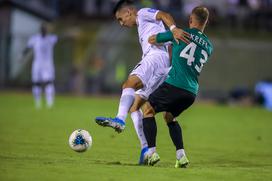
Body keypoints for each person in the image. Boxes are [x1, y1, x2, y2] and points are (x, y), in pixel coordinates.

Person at [94, 0, 186, 164]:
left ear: (129, 12)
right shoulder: (143, 27)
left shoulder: (142, 13)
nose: (121, 24)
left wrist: (174, 29)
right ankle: (147, 150)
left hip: (154, 59)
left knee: (128, 84)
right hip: (162, 66)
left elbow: (165, 15)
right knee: (137, 107)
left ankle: (119, 120)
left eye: (121, 19)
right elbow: (170, 45)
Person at [143, 6, 213, 167]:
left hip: (175, 85)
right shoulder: (209, 46)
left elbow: (152, 39)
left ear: (190, 19)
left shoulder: (180, 34)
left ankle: (151, 153)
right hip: (191, 92)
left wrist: (171, 35)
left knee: (147, 109)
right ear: (206, 22)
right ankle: (181, 156)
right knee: (169, 116)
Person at [23, 24, 58, 109]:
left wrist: (70, 33)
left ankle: (49, 102)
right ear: (41, 30)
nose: (44, 31)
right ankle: (37, 103)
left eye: (45, 29)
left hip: (47, 64)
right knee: (36, 83)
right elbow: (27, 48)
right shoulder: (35, 39)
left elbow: (61, 37)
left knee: (48, 82)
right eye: (43, 29)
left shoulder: (50, 38)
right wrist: (22, 56)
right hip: (37, 64)